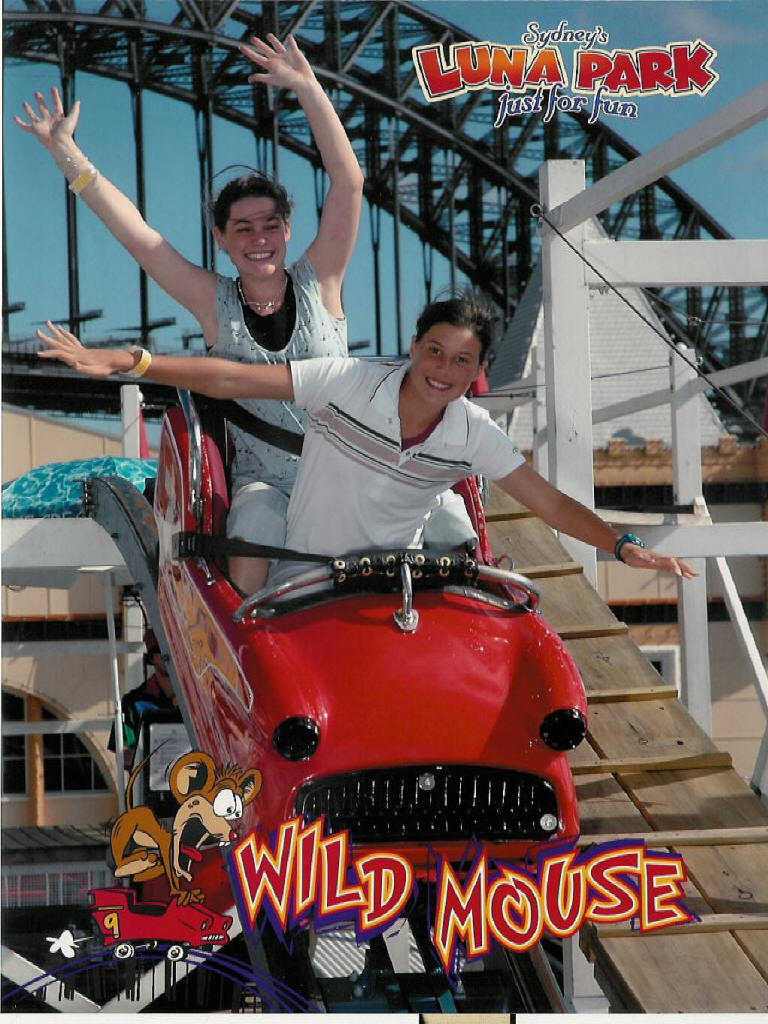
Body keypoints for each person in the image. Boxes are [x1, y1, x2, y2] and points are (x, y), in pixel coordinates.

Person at [15, 33, 364, 594]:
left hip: (347, 474)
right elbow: (138, 237)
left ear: (288, 230)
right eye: (242, 228)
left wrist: (307, 87)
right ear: (221, 239)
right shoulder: (213, 302)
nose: (259, 239)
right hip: (266, 490)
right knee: (253, 528)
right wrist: (66, 153)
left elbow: (348, 183)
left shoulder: (320, 280)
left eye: (270, 225)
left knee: (434, 520)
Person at [36, 301, 696, 582]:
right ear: (413, 346)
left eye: (461, 361)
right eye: (434, 351)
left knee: (453, 521)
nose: (443, 371)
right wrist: (130, 362)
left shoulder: (472, 431)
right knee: (256, 517)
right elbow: (232, 378)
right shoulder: (349, 382)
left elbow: (549, 504)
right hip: (305, 574)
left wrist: (623, 546)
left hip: (395, 581)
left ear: (476, 370)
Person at [108, 629, 180, 769]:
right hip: (154, 780)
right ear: (151, 658)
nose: (169, 655)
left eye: (174, 648)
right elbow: (122, 755)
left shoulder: (197, 700)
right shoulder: (132, 703)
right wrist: (153, 756)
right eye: (162, 649)